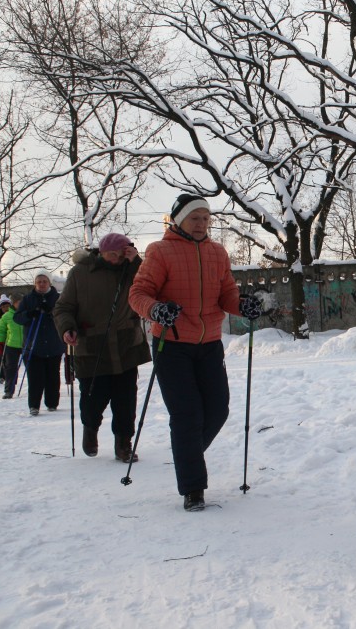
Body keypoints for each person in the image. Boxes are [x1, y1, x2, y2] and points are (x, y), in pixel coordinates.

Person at [129, 194, 262, 512]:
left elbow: (226, 292)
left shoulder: (218, 253)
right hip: (171, 345)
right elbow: (139, 293)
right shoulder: (159, 251)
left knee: (217, 410)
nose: (201, 224)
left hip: (210, 344)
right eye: (195, 218)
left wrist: (242, 304)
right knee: (187, 415)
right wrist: (156, 309)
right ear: (178, 220)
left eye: (206, 218)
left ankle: (185, 454)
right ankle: (193, 488)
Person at [54, 233, 152, 462]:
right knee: (92, 399)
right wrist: (67, 328)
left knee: (126, 400)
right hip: (91, 347)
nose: (116, 259)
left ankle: (123, 444)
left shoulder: (131, 270)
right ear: (101, 252)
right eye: (112, 254)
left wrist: (135, 260)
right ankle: (90, 430)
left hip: (126, 346)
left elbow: (151, 283)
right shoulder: (80, 273)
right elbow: (63, 307)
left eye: (121, 254)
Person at [14, 270, 65, 416]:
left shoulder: (57, 298)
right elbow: (17, 318)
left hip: (53, 344)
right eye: (39, 282)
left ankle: (52, 402)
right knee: (35, 377)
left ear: (49, 282)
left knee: (52, 376)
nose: (41, 284)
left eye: (44, 281)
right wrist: (29, 314)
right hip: (33, 345)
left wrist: (52, 313)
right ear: (35, 284)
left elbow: (65, 314)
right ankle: (34, 405)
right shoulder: (28, 299)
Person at [0, 295, 24, 399]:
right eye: (17, 302)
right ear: (13, 303)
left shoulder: (27, 314)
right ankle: (9, 390)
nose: (19, 304)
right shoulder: (7, 316)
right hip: (11, 345)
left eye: (21, 302)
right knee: (10, 368)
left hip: (26, 344)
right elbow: (1, 331)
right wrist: (0, 343)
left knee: (32, 368)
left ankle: (36, 389)